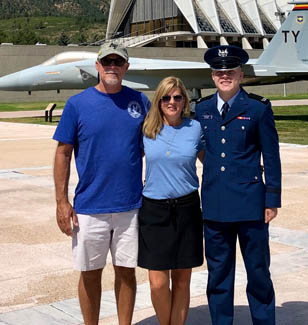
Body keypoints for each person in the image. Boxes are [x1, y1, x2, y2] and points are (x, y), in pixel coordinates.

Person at [53, 41, 150, 325]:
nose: (112, 67)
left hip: (129, 205)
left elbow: (156, 143)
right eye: (106, 62)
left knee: (126, 272)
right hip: (89, 206)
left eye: (117, 62)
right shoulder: (77, 105)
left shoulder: (140, 102)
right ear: (97, 66)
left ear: (126, 68)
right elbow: (63, 153)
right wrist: (61, 201)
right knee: (90, 273)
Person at [195, 45, 282, 325]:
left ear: (240, 75)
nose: (225, 76)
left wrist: (272, 199)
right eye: (220, 72)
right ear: (212, 76)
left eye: (230, 71)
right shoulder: (203, 109)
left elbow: (270, 156)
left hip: (250, 205)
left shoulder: (257, 108)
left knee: (258, 272)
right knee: (219, 275)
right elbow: (200, 149)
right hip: (215, 205)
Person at [138, 76, 204, 325]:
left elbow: (211, 161)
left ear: (185, 100)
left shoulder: (195, 128)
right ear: (158, 101)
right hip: (154, 210)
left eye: (177, 97)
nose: (172, 102)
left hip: (187, 208)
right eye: (166, 97)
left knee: (182, 279)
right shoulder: (146, 129)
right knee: (157, 282)